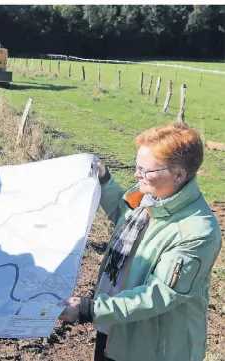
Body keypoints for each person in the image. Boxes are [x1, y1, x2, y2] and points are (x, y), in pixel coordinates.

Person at [58, 123, 222, 361]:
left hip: (151, 348)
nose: (137, 174)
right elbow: (125, 217)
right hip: (116, 323)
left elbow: (158, 295)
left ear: (179, 174)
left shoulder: (198, 231)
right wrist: (104, 180)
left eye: (145, 170)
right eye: (137, 166)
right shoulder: (152, 197)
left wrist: (89, 309)